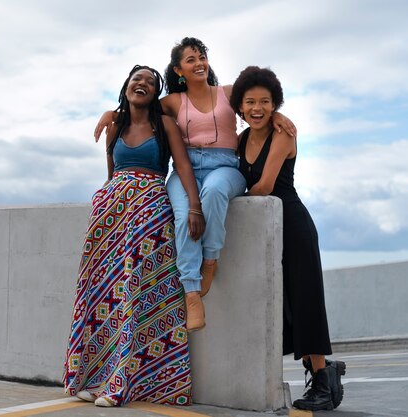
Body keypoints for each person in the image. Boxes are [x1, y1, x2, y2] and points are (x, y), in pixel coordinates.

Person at [95, 37, 296, 331]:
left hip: (225, 165)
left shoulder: (228, 93)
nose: (199, 63)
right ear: (179, 70)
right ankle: (191, 292)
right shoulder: (174, 102)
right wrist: (111, 114)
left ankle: (210, 260)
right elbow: (141, 105)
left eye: (201, 57)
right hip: (186, 169)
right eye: (190, 60)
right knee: (182, 217)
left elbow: (256, 105)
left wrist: (277, 113)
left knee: (214, 193)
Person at [64, 65, 205, 407]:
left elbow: (182, 167)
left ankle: (124, 383)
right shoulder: (114, 125)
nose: (142, 84)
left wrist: (195, 207)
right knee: (104, 296)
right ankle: (94, 378)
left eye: (150, 82)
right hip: (110, 219)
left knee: (137, 294)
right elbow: (112, 172)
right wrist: (107, 201)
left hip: (150, 214)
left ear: (156, 93)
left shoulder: (164, 125)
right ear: (126, 86)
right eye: (136, 79)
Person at [230, 65, 346, 411]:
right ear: (239, 106)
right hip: (265, 231)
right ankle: (324, 371)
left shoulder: (283, 134)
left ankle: (323, 383)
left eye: (265, 102)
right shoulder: (239, 139)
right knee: (286, 307)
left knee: (306, 300)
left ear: (275, 104)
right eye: (250, 101)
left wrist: (229, 199)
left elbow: (264, 186)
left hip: (293, 224)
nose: (257, 108)